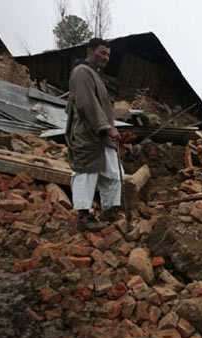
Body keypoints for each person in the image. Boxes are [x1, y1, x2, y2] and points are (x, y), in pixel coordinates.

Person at [65, 38, 123, 232]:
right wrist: (106, 127)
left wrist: (108, 129)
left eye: (107, 54)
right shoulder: (82, 72)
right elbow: (87, 104)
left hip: (103, 136)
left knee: (113, 174)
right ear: (90, 51)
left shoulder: (97, 76)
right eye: (102, 53)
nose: (106, 57)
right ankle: (83, 216)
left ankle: (110, 211)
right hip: (88, 135)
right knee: (86, 172)